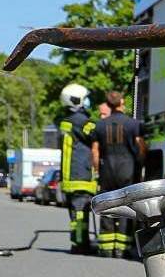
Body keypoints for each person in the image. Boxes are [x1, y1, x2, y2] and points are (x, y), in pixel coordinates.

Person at [94, 89, 145, 258]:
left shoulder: (100, 125)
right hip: (127, 169)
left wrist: (97, 170)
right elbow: (140, 146)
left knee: (107, 204)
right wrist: (140, 163)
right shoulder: (133, 124)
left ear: (108, 105)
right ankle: (122, 248)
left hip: (107, 170)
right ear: (122, 102)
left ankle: (106, 248)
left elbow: (95, 151)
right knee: (126, 206)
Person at [58, 82, 100, 254]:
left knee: (75, 215)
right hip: (81, 177)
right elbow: (98, 133)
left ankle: (78, 242)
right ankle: (80, 245)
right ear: (77, 100)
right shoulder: (81, 122)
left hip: (69, 178)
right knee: (81, 214)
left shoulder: (66, 122)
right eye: (86, 98)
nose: (88, 101)